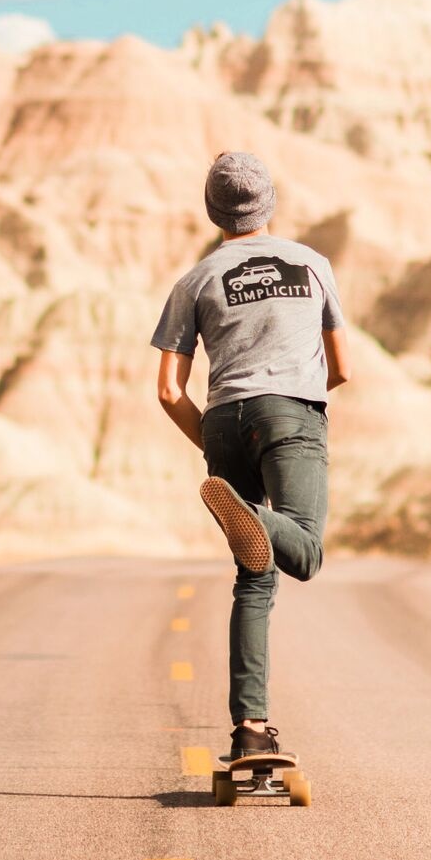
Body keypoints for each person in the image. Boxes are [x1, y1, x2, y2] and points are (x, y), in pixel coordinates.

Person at [150, 151, 350, 761]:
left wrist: (211, 441)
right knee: (306, 554)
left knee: (254, 578)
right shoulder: (312, 265)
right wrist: (297, 408)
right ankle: (248, 509)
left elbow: (167, 389)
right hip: (289, 414)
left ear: (213, 211)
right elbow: (342, 368)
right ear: (270, 202)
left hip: (224, 422)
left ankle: (251, 730)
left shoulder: (195, 280)